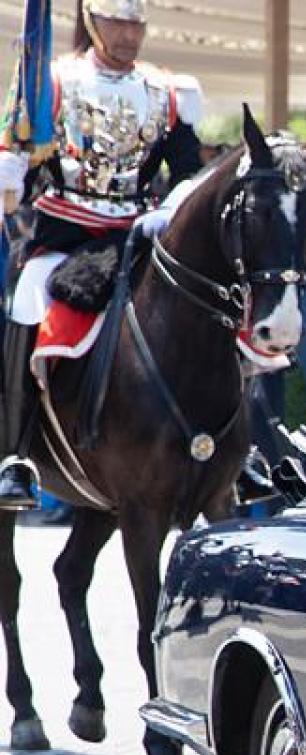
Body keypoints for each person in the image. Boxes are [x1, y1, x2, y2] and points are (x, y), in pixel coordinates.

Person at [0, 0, 204, 508]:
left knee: (207, 305)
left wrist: (172, 207)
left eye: (137, 23)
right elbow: (18, 149)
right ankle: (16, 454)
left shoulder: (168, 91)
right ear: (93, 22)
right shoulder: (52, 82)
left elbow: (185, 169)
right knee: (27, 298)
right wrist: (9, 175)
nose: (130, 33)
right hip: (66, 232)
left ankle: (239, 453)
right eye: (119, 21)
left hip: (140, 230)